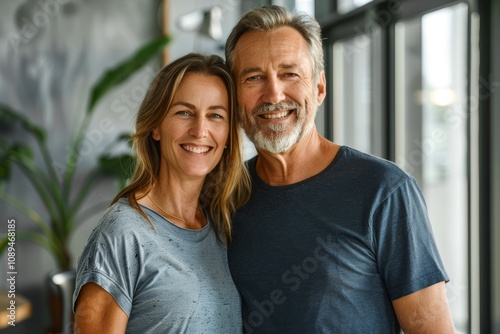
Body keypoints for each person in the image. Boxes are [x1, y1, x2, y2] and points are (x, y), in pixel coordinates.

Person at [225, 5, 455, 333]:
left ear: (319, 88)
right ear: (234, 97)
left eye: (290, 73)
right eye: (254, 77)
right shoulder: (222, 195)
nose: (274, 94)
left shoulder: (385, 190)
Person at [72, 53, 251, 333]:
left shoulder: (222, 226)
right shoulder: (123, 233)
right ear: (156, 126)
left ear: (228, 135)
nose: (200, 130)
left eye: (216, 115)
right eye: (184, 112)